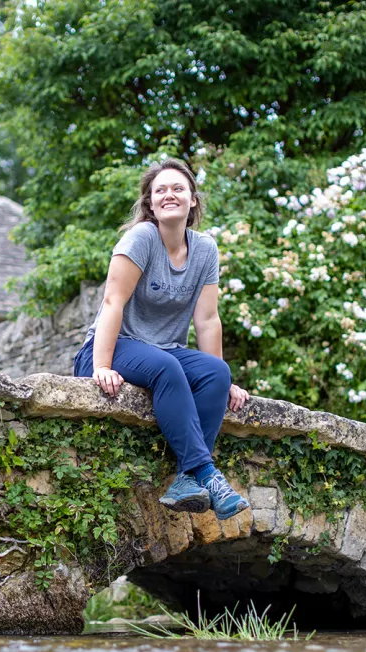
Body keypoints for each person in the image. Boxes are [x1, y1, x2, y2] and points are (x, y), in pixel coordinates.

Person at [73, 158, 251, 520]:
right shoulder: (141, 238)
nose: (169, 195)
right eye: (160, 191)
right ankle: (207, 475)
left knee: (217, 373)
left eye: (178, 188)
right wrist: (101, 365)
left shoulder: (205, 250)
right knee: (167, 367)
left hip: (165, 351)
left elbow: (207, 319)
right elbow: (112, 301)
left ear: (193, 200)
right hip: (113, 345)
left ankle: (187, 479)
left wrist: (224, 378)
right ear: (150, 204)